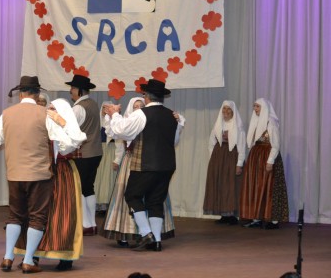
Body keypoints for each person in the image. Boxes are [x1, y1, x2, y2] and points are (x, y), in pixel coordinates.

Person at [0, 76, 86, 274]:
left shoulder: (7, 114)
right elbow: (70, 142)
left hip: (14, 174)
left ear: (20, 94)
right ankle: (29, 260)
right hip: (39, 175)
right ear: (37, 94)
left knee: (15, 216)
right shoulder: (45, 114)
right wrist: (63, 123)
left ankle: (7, 258)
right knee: (37, 218)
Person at [103, 79, 184, 252]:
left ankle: (146, 233)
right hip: (167, 165)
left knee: (132, 196)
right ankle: (156, 241)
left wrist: (114, 114)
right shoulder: (172, 115)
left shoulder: (142, 114)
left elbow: (121, 130)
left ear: (146, 96)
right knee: (155, 201)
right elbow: (175, 140)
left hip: (146, 164)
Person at [14, 94, 85, 271]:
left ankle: (65, 256)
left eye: (54, 110)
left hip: (62, 174)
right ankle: (32, 255)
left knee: (62, 213)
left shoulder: (70, 129)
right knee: (37, 212)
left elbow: (70, 145)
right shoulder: (43, 126)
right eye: (49, 109)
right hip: (41, 171)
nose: (50, 112)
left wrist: (62, 123)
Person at [240, 98, 289, 229]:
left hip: (267, 156)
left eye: (257, 106)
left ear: (264, 108)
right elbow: (253, 141)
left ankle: (273, 220)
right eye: (254, 106)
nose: (255, 109)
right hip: (256, 157)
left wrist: (270, 161)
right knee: (256, 186)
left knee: (269, 188)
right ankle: (257, 218)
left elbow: (275, 145)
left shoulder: (271, 123)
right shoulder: (256, 121)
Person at [65, 74, 103, 236]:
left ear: (79, 90)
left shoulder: (78, 108)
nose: (71, 91)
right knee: (88, 187)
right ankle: (92, 223)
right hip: (96, 152)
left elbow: (69, 129)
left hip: (82, 154)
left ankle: (85, 223)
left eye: (72, 88)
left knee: (79, 187)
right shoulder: (93, 104)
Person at [203, 100, 246, 225]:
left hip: (232, 157)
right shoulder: (218, 125)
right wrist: (213, 159)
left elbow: (242, 147)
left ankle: (232, 215)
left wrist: (239, 164)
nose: (226, 111)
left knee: (231, 185)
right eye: (224, 109)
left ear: (233, 111)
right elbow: (211, 143)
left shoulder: (238, 127)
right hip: (219, 158)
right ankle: (223, 214)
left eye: (228, 109)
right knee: (220, 185)